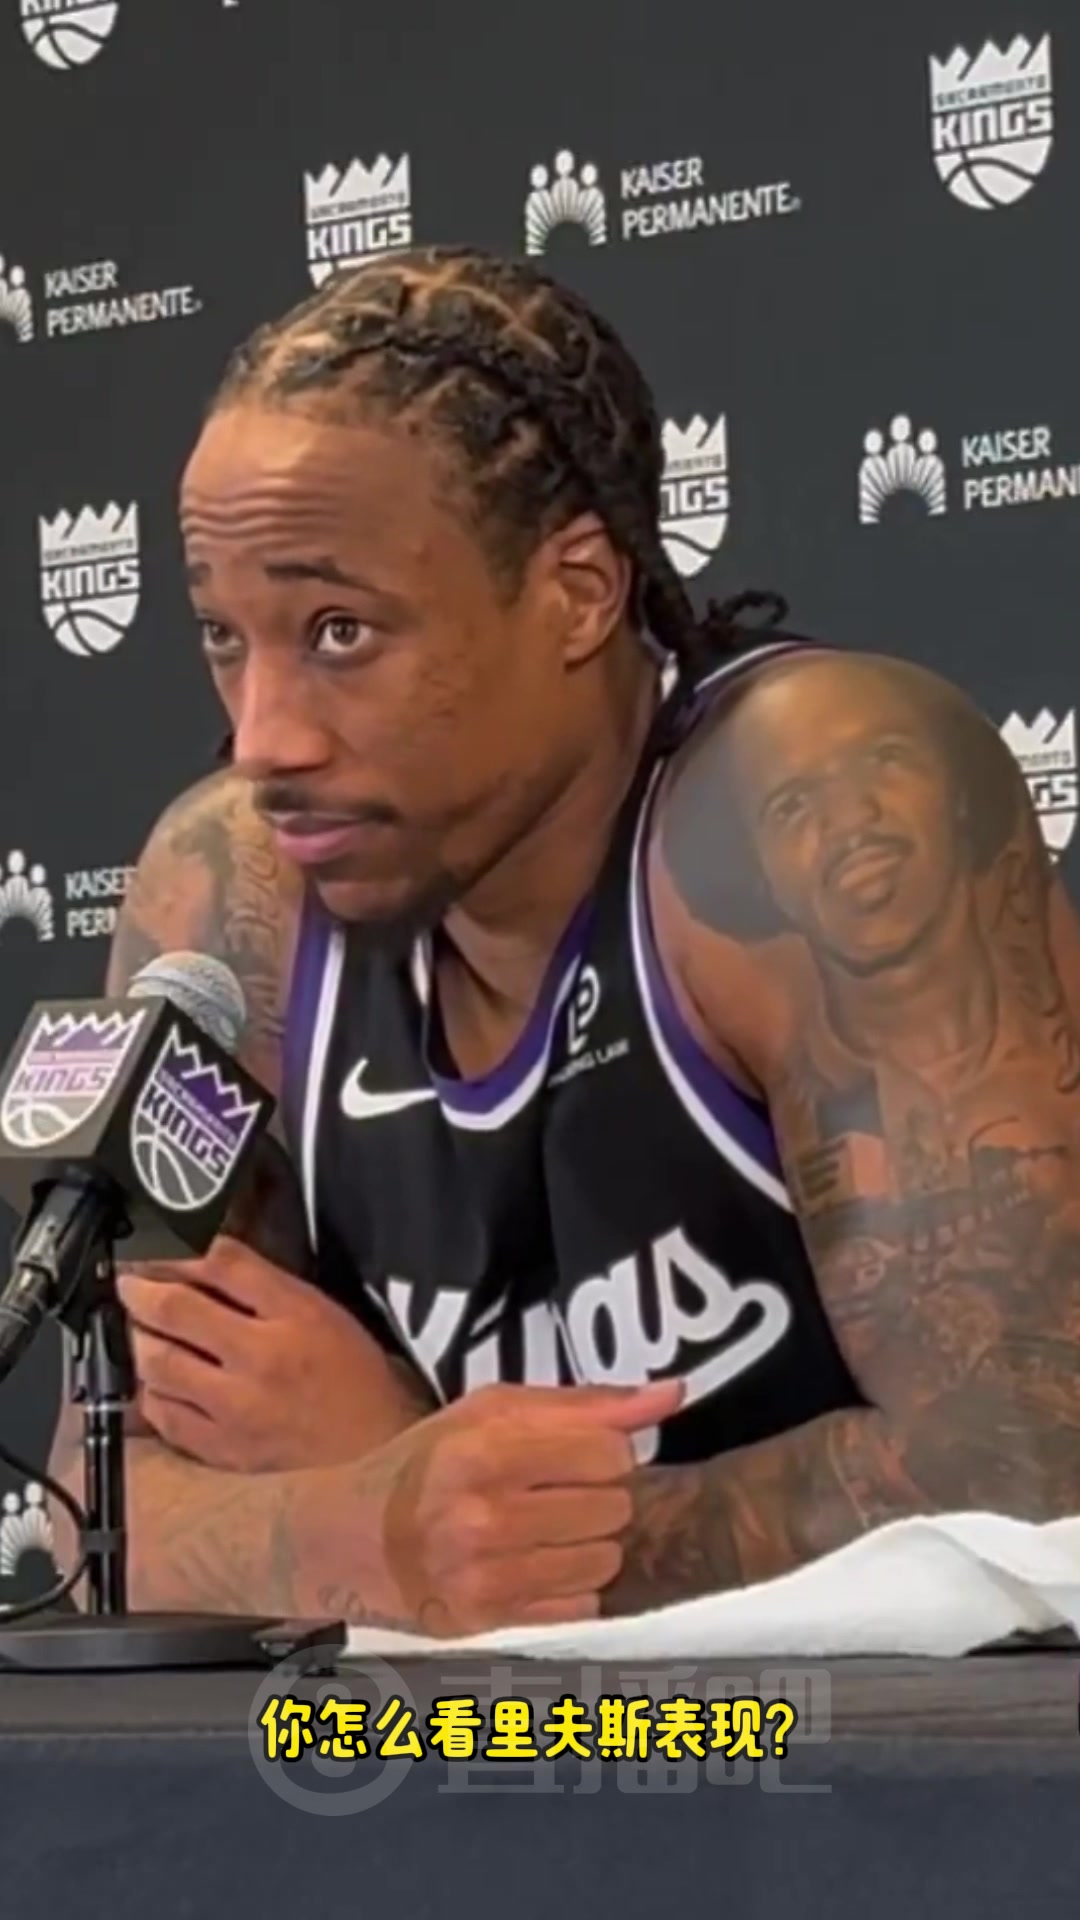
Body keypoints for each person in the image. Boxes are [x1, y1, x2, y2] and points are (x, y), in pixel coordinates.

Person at [50, 247, 1080, 1637]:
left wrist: (428, 1491)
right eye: (227, 638)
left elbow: (1032, 1474)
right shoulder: (230, 890)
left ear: (580, 593)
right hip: (442, 1758)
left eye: (341, 631)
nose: (264, 739)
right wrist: (381, 1520)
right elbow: (98, 1503)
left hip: (843, 1752)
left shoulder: (803, 806)